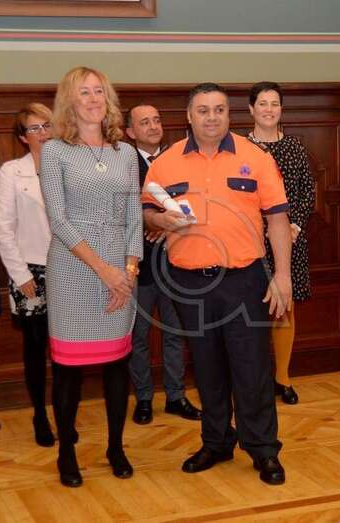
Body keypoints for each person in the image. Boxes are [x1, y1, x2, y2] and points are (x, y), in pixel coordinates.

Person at [142, 83, 293, 485]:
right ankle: (216, 442)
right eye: (203, 110)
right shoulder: (166, 163)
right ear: (189, 117)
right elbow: (147, 213)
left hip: (244, 281)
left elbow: (277, 219)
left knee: (253, 369)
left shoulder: (255, 158)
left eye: (219, 110)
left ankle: (263, 450)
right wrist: (159, 220)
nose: (212, 117)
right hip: (190, 283)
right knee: (206, 369)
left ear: (230, 115)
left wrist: (282, 276)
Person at [40, 66, 142, 488]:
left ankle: (115, 446)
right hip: (73, 271)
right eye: (84, 92)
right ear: (70, 100)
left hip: (122, 271)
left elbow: (135, 213)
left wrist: (129, 272)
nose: (93, 98)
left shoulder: (125, 153)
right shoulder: (54, 151)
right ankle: (67, 452)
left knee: (118, 367)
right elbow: (59, 220)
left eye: (100, 91)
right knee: (68, 372)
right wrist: (105, 270)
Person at [124, 103, 202, 425]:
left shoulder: (178, 160)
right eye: (145, 122)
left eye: (157, 120)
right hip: (138, 264)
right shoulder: (123, 164)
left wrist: (169, 227)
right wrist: (151, 224)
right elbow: (120, 209)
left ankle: (175, 396)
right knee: (138, 336)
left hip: (176, 262)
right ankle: (143, 398)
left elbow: (195, 202)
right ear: (130, 132)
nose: (154, 126)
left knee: (174, 332)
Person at [247, 81, 316, 405]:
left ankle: (283, 379)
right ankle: (254, 381)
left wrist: (293, 227)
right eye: (263, 103)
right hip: (249, 243)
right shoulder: (240, 149)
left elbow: (306, 192)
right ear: (251, 109)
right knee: (253, 312)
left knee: (284, 309)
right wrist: (262, 230)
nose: (269, 109)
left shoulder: (295, 148)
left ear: (281, 110)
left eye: (275, 104)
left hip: (291, 241)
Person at [0, 103, 55, 447]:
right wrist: (20, 276)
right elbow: (3, 228)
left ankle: (63, 411)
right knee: (35, 346)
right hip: (30, 270)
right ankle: (40, 415)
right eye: (35, 129)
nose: (44, 133)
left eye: (48, 126)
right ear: (22, 137)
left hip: (71, 268)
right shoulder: (12, 172)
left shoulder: (71, 167)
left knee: (67, 347)